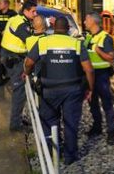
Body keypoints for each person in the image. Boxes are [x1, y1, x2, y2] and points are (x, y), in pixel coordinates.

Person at [23, 17, 94, 165]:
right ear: (68, 28)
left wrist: (28, 73)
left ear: (54, 28)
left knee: (49, 122)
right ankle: (70, 157)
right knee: (71, 123)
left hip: (48, 90)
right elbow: (89, 69)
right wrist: (89, 88)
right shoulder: (76, 43)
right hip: (73, 91)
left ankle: (51, 154)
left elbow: (29, 62)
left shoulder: (43, 42)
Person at [0, 0, 37, 131]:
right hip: (13, 59)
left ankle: (19, 118)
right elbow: (31, 42)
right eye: (33, 11)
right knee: (19, 91)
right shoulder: (20, 24)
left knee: (22, 90)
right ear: (25, 11)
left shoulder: (20, 19)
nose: (35, 13)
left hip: (13, 57)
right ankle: (15, 124)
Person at [83, 12, 114, 145]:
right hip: (89, 76)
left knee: (107, 104)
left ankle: (111, 132)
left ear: (92, 21)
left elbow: (111, 57)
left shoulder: (105, 38)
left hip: (101, 75)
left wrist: (99, 51)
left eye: (86, 20)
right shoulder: (88, 37)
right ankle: (97, 127)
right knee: (93, 103)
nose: (85, 22)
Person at [0, 0, 17, 89]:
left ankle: (13, 79)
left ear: (6, 4)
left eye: (0, 4)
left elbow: (16, 27)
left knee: (9, 60)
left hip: (10, 41)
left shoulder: (13, 14)